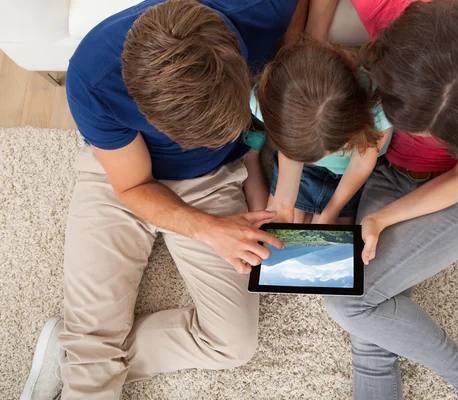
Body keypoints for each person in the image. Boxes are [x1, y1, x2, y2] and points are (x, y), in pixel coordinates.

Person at [19, 0, 311, 398]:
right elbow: (133, 186)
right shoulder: (92, 78)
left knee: (233, 344)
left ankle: (80, 359)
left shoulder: (264, 7)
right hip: (121, 176)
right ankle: (84, 359)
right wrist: (210, 230)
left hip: (213, 178)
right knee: (92, 345)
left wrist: (290, 53)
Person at [323, 1, 458, 400]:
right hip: (391, 173)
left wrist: (381, 220)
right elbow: (371, 146)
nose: (429, 139)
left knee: (353, 306)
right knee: (368, 315)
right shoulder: (387, 14)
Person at [254, 38, 393, 225]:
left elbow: (361, 164)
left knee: (339, 230)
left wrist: (330, 212)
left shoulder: (377, 103)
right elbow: (291, 153)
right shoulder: (267, 105)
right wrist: (284, 202)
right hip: (300, 168)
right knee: (284, 223)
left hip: (349, 173)